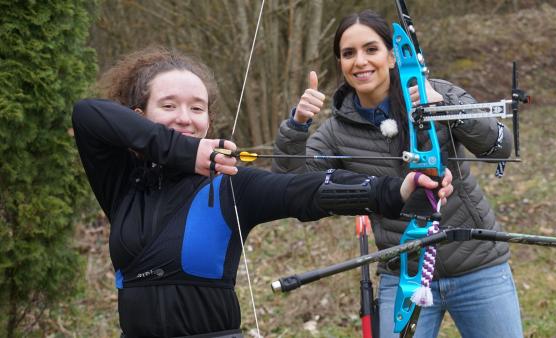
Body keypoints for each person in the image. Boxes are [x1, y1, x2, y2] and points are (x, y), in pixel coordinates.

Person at [71, 47, 453, 337]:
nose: (185, 118)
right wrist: (185, 153)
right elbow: (86, 113)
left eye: (197, 108)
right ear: (139, 118)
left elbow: (304, 190)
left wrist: (396, 188)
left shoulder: (231, 184)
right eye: (169, 105)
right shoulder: (122, 184)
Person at [272, 10, 523, 338]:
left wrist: (445, 106)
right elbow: (293, 187)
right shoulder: (335, 131)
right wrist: (297, 126)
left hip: (477, 265)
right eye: (349, 54)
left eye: (371, 49)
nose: (360, 61)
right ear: (340, 64)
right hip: (404, 271)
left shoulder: (436, 91)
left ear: (393, 56)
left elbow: (501, 146)